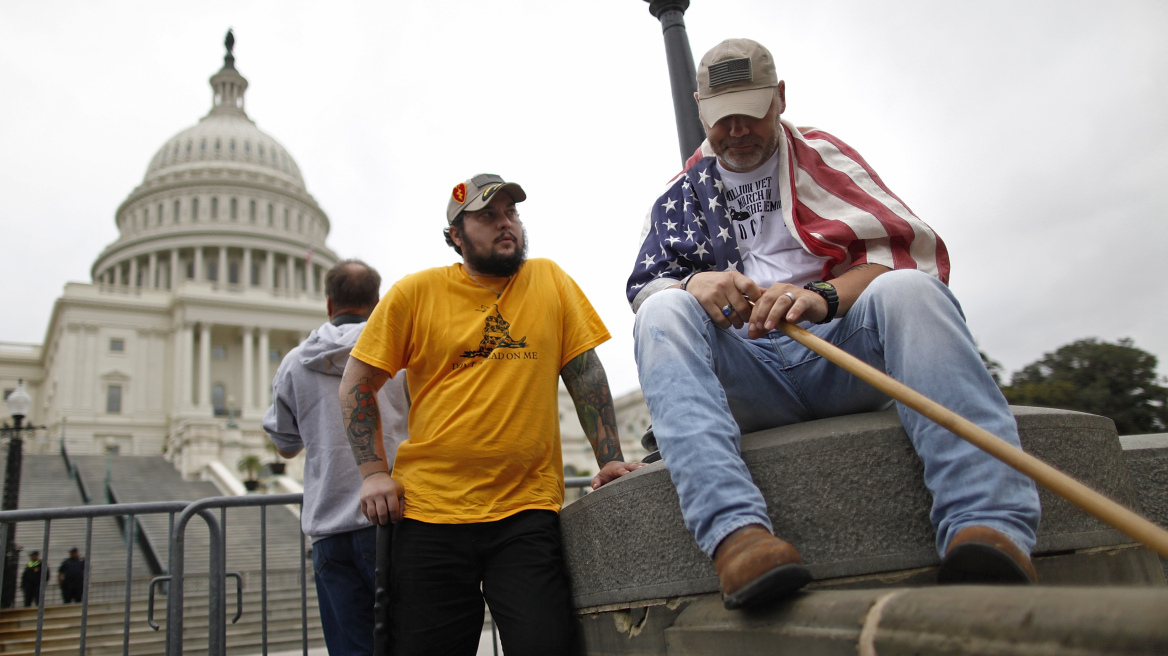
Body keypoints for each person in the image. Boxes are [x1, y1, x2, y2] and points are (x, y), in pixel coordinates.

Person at [627, 38, 1042, 610]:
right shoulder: (680, 194)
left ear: (780, 98)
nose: (739, 129)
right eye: (723, 118)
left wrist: (821, 296)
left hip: (840, 353)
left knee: (910, 291)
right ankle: (736, 536)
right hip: (751, 373)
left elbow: (909, 257)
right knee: (662, 309)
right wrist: (691, 286)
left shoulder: (824, 155)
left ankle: (987, 525)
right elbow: (645, 286)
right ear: (700, 111)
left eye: (752, 110)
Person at [341, 173, 642, 655]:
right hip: (428, 516)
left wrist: (610, 457)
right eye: (487, 216)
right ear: (456, 235)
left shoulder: (550, 280)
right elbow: (357, 382)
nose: (506, 224)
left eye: (511, 213)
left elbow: (584, 374)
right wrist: (374, 472)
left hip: (525, 513)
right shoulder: (415, 293)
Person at [264, 259, 409, 656]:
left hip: (331, 531)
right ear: (377, 302)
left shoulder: (295, 362)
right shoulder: (400, 353)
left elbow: (285, 444)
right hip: (393, 519)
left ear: (329, 303)